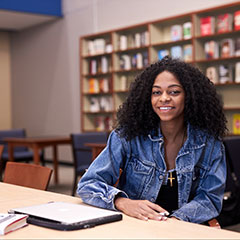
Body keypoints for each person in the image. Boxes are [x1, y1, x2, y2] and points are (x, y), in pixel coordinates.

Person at [77, 56, 227, 224]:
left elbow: (210, 198)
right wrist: (123, 202)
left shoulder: (210, 144)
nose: (163, 98)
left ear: (190, 96)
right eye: (156, 92)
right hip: (135, 227)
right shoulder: (127, 136)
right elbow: (88, 184)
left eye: (174, 92)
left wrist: (177, 219)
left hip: (183, 228)